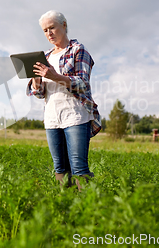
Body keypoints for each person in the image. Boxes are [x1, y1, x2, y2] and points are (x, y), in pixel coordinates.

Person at [27, 10, 101, 191]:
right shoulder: (43, 57)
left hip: (75, 115)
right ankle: (65, 207)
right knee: (60, 169)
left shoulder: (78, 50)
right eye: (45, 30)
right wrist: (37, 81)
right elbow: (38, 94)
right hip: (52, 117)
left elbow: (83, 83)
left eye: (52, 27)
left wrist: (54, 76)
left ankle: (86, 209)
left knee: (79, 168)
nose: (49, 33)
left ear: (64, 25)